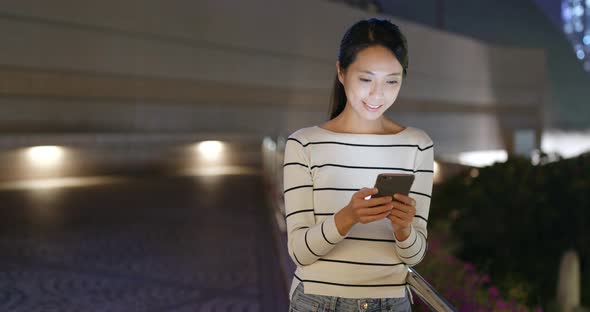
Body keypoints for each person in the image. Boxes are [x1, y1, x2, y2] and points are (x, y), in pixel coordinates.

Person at [283, 18, 434, 312]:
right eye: (366, 80)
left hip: (391, 303)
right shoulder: (303, 144)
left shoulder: (418, 145)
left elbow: (415, 256)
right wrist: (347, 217)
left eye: (392, 81)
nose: (378, 95)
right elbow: (299, 252)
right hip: (317, 302)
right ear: (341, 71)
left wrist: (404, 230)